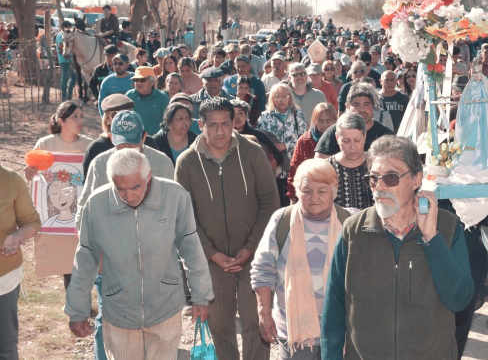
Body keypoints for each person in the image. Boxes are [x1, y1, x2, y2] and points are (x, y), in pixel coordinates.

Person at [321, 136, 475, 359]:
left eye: (391, 178)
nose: (380, 187)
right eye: (373, 179)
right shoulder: (353, 231)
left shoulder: (448, 227)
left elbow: (460, 299)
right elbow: (333, 310)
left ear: (416, 180)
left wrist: (432, 238)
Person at [65, 150, 213, 359]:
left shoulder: (175, 196)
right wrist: (78, 310)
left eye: (135, 186)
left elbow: (191, 249)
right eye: (120, 189)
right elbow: (85, 259)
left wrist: (201, 297)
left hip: (165, 305)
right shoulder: (96, 204)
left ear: (148, 176)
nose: (129, 195)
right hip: (119, 309)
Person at [175, 97, 281, 360]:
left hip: (253, 256)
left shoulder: (253, 153)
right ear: (201, 125)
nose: (219, 131)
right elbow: (185, 216)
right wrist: (211, 252)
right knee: (219, 324)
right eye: (212, 125)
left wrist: (251, 248)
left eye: (225, 123)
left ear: (234, 123)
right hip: (211, 260)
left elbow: (270, 202)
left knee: (254, 321)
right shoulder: (187, 162)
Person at [251, 159, 355, 359]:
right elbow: (263, 269)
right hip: (294, 332)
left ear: (334, 191)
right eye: (307, 190)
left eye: (322, 191)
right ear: (297, 191)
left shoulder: (350, 222)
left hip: (340, 331)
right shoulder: (281, 220)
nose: (314, 197)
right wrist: (264, 312)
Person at [0, 164, 41, 360]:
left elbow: (31, 221)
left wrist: (17, 235)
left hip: (4, 278)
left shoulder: (11, 180)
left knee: (5, 345)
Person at [258, 83, 308, 207]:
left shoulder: (297, 114)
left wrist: (287, 145)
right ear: (272, 98)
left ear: (289, 98)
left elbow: (304, 138)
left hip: (292, 164)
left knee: (293, 199)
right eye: (277, 96)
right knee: (275, 200)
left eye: (284, 96)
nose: (281, 100)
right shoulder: (265, 116)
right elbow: (259, 139)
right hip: (273, 165)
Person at [316, 84, 394, 158]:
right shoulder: (335, 130)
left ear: (373, 107)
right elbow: (320, 162)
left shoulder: (385, 135)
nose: (362, 109)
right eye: (356, 105)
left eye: (366, 104)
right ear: (347, 106)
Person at [24, 101, 93, 180]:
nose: (80, 120)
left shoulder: (90, 145)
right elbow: (34, 178)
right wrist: (28, 175)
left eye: (81, 116)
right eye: (75, 116)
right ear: (61, 121)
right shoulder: (44, 144)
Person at [287, 103, 336, 203]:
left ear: (335, 121)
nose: (324, 124)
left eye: (328, 120)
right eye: (320, 121)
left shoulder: (341, 139)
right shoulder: (305, 140)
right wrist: (292, 195)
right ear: (314, 121)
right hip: (310, 193)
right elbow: (295, 168)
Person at [327, 112, 374, 210]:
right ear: (337, 138)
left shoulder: (376, 164)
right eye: (346, 141)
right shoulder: (327, 168)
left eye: (357, 140)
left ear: (364, 136)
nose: (352, 146)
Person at [125, 66, 169, 136]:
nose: (139, 83)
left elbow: (166, 123)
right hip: (133, 140)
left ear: (152, 82)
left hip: (155, 141)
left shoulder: (163, 98)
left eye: (142, 80)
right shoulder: (129, 96)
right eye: (136, 80)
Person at [57, 20, 78, 101]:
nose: (69, 29)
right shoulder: (61, 34)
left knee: (74, 77)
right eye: (67, 27)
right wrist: (66, 52)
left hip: (68, 59)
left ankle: (68, 96)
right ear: (63, 28)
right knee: (65, 78)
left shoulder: (68, 34)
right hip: (64, 59)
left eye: (69, 27)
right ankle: (64, 97)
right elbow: (60, 45)